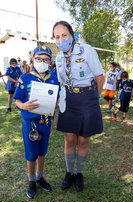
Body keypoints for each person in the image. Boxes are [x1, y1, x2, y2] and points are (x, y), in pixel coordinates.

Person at [53, 21, 105, 192]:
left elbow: (99, 77)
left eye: (64, 35)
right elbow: (61, 81)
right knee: (69, 139)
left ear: (72, 35)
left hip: (88, 97)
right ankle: (69, 173)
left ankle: (79, 173)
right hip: (69, 98)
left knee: (83, 139)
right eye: (57, 37)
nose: (61, 40)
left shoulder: (86, 50)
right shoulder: (59, 57)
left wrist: (93, 98)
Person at [13, 45, 59, 199]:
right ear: (33, 59)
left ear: (50, 62)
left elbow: (53, 104)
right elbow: (17, 100)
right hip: (30, 123)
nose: (42, 62)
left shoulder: (53, 79)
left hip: (45, 123)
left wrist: (51, 121)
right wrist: (23, 105)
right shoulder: (25, 77)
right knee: (31, 153)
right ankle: (31, 180)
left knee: (42, 152)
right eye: (39, 59)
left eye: (45, 59)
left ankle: (40, 177)